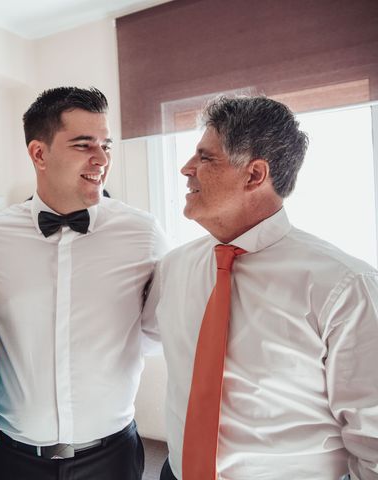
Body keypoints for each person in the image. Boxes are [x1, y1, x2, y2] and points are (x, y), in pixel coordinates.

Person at [151, 96, 378, 479]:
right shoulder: (175, 267)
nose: (186, 168)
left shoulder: (345, 288)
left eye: (205, 158)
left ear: (254, 175)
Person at [0, 86, 167, 480]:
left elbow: (157, 330)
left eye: (106, 144)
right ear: (39, 153)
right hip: (13, 458)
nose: (102, 159)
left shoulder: (143, 232)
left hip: (112, 456)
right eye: (84, 144)